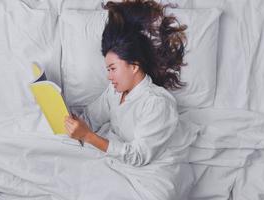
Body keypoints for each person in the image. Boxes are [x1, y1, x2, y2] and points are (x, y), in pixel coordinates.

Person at [64, 0, 187, 167]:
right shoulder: (114, 92)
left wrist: (88, 136)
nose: (109, 76)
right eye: (108, 69)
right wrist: (69, 119)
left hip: (154, 167)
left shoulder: (158, 103)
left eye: (113, 69)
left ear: (134, 66)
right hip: (122, 159)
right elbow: (91, 118)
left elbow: (138, 156)